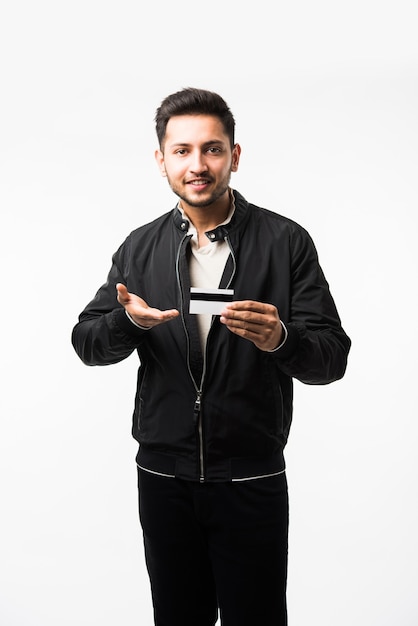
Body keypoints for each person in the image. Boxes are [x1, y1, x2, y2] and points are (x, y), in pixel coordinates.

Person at [71, 87, 351, 626]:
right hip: (163, 478)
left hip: (251, 479)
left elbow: (331, 357)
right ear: (161, 160)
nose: (197, 165)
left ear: (235, 156)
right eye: (182, 151)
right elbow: (87, 343)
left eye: (212, 149)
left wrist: (281, 340)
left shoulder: (286, 241)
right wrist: (128, 322)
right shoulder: (139, 247)